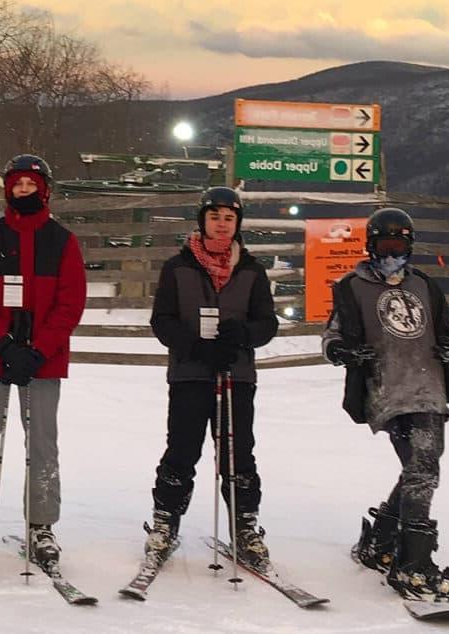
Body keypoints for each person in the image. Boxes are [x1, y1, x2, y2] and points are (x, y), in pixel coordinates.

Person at [323, 207, 449, 598]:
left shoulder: (425, 285)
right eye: (386, 245)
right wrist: (341, 351)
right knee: (423, 466)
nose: (393, 253)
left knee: (419, 467)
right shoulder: (352, 287)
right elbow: (332, 334)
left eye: (400, 245)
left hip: (430, 388)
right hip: (388, 390)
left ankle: (381, 540)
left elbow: (445, 333)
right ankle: (414, 564)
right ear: (371, 246)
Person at [0, 154, 86, 566]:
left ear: (43, 190)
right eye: (17, 185)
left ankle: (41, 524)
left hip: (42, 360)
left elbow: (70, 302)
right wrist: (4, 344)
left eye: (30, 185)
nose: (22, 191)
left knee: (42, 444)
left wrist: (39, 349)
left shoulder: (62, 241)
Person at [145, 186, 278, 568]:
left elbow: (267, 323)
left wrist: (244, 335)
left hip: (236, 374)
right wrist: (194, 346)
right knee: (183, 450)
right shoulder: (179, 268)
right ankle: (165, 522)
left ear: (238, 225)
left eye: (229, 218)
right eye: (215, 217)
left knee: (238, 455)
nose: (222, 225)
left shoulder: (251, 270)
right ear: (202, 221)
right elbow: (162, 321)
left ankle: (245, 525)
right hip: (190, 373)